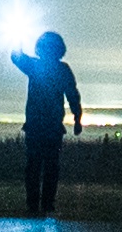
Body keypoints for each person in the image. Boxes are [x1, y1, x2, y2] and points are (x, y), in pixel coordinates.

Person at [11, 29, 84, 214]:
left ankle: (35, 205)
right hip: (50, 127)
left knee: (35, 167)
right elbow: (73, 95)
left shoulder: (36, 66)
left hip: (38, 126)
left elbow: (16, 57)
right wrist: (77, 118)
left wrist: (17, 38)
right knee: (48, 167)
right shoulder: (62, 69)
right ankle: (45, 204)